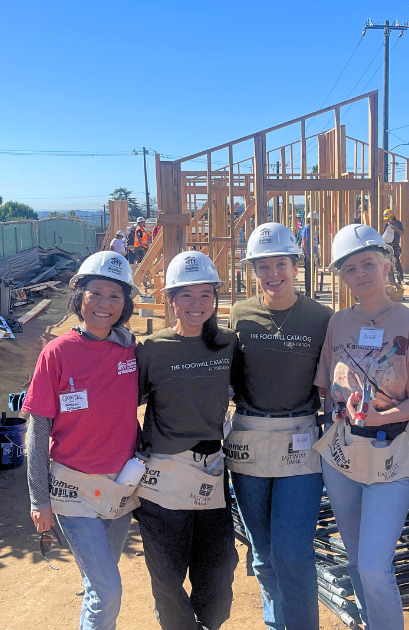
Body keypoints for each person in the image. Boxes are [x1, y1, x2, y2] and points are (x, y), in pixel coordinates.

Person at [313, 224, 409, 630]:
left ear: (386, 266)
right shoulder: (337, 323)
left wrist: (381, 418)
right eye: (350, 268)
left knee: (373, 565)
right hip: (342, 455)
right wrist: (338, 409)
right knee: (355, 559)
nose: (361, 274)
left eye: (368, 263)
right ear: (342, 275)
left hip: (391, 456)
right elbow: (325, 387)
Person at [24, 251, 140, 630]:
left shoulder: (129, 350)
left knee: (97, 583)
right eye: (96, 293)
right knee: (107, 590)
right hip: (72, 490)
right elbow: (37, 433)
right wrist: (39, 500)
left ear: (125, 304)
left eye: (115, 296)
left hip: (119, 486)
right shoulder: (56, 353)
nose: (104, 304)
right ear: (79, 295)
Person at [226, 222, 333, 630]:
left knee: (293, 551)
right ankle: (276, 623)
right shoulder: (241, 314)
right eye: (263, 266)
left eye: (281, 264)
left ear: (295, 264)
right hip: (250, 438)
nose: (273, 274)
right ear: (252, 271)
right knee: (263, 553)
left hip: (300, 439)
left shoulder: (320, 318)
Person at [135, 250, 238, 630]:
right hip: (163, 475)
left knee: (218, 564)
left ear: (215, 297)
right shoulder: (152, 349)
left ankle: (210, 624)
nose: (197, 304)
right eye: (187, 295)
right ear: (171, 299)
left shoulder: (227, 344)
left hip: (211, 472)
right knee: (166, 570)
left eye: (206, 294)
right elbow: (124, 401)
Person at [382, 207, 404, 283]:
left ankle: (400, 279)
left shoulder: (398, 224)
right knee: (389, 262)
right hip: (388, 245)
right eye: (386, 219)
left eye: (388, 219)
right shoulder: (387, 225)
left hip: (395, 245)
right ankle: (391, 280)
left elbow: (402, 233)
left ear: (392, 217)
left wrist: (395, 228)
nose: (387, 220)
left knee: (397, 261)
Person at [301, 211, 319, 296]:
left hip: (312, 254)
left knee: (311, 273)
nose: (316, 221)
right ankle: (308, 292)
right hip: (309, 254)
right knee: (309, 273)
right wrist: (307, 255)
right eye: (315, 219)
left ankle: (311, 292)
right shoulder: (307, 228)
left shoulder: (311, 228)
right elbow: (304, 241)